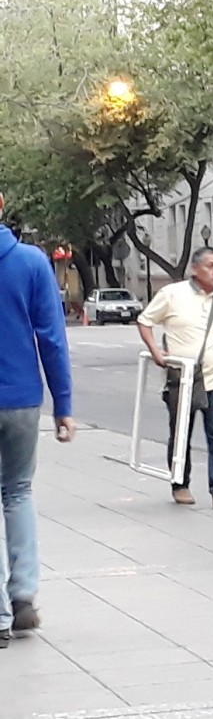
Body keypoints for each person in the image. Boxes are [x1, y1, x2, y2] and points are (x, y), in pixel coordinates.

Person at [0, 191, 76, 647]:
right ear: (3, 203)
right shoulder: (31, 262)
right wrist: (63, 404)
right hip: (22, 399)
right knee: (18, 491)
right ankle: (23, 596)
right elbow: (51, 336)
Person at [136, 247, 213, 510]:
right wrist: (155, 351)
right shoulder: (172, 294)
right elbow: (144, 320)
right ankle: (180, 483)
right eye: (210, 266)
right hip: (182, 377)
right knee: (181, 432)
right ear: (195, 269)